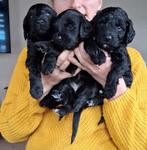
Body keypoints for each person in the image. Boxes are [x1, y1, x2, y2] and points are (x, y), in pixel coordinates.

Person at [0, 0, 147, 149]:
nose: (76, 3)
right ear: (53, 4)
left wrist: (113, 85)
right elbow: (10, 133)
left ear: (99, 3)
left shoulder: (131, 59)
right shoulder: (34, 53)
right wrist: (45, 83)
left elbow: (141, 144)